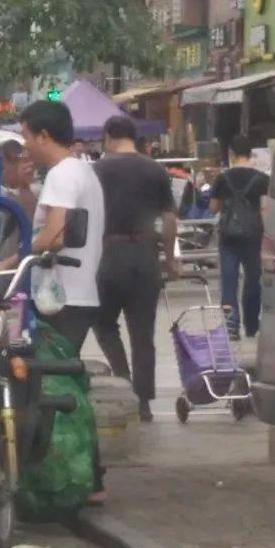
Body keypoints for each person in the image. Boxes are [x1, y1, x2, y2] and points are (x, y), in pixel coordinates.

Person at [20, 100, 106, 504]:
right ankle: (92, 479)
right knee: (68, 382)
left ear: (43, 136)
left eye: (26, 137)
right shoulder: (82, 171)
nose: (25, 148)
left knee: (51, 386)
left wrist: (11, 260)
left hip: (59, 298)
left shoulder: (61, 174)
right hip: (77, 293)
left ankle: (64, 476)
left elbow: (53, 237)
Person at [92, 116, 178, 423]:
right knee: (143, 334)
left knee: (103, 323)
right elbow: (168, 219)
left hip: (109, 254)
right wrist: (170, 259)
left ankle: (123, 380)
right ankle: (143, 402)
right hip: (145, 255)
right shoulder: (155, 169)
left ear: (109, 137)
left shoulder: (98, 170)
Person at [210, 134, 270, 340]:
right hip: (253, 239)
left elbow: (213, 208)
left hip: (228, 239)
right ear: (251, 153)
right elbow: (264, 208)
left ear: (232, 154)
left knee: (229, 282)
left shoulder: (222, 178)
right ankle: (252, 325)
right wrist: (267, 235)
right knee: (253, 281)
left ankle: (231, 326)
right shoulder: (262, 179)